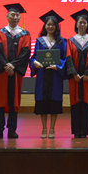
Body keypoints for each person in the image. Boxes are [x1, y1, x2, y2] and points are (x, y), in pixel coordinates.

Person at [0, 3, 31, 139]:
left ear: (20, 17)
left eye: (17, 15)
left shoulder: (25, 34)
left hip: (15, 73)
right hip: (2, 73)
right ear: (7, 16)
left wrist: (12, 66)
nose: (15, 17)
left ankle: (12, 129)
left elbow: (25, 54)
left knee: (13, 101)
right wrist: (6, 65)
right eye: (12, 15)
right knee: (0, 101)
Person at [30, 10, 67, 139]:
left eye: (53, 24)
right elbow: (34, 57)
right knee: (43, 102)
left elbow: (64, 58)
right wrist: (34, 62)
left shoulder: (62, 41)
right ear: (44, 26)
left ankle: (52, 128)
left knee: (54, 102)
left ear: (56, 26)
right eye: (48, 24)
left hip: (55, 76)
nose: (50, 27)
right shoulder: (40, 41)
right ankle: (44, 128)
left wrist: (58, 66)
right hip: (43, 75)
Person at [66, 8, 88, 138]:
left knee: (86, 103)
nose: (82, 25)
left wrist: (87, 74)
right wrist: (74, 74)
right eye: (80, 22)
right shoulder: (70, 41)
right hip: (74, 78)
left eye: (84, 23)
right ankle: (76, 131)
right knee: (75, 102)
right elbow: (68, 58)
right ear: (76, 24)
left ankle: (84, 131)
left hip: (87, 79)